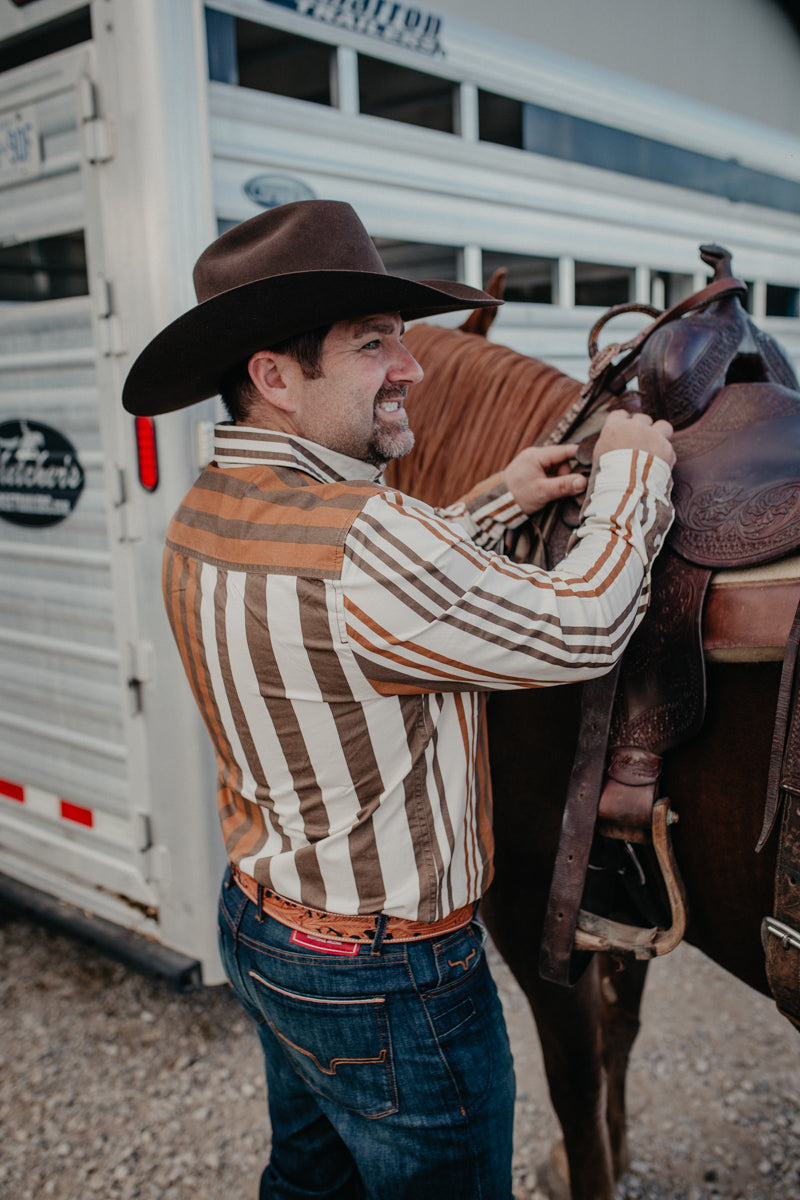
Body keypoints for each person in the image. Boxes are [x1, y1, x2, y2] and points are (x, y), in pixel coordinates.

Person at [122, 199, 675, 1200]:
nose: (412, 368)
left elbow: (354, 607)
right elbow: (584, 625)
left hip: (265, 930)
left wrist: (498, 496)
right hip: (390, 981)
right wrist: (634, 480)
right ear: (274, 378)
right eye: (373, 345)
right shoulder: (368, 536)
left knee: (307, 1179)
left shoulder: (204, 511)